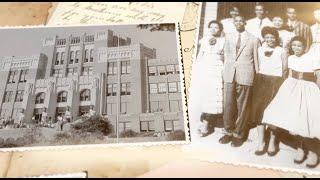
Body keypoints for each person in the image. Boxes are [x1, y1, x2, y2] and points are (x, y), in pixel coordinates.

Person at [262, 36, 320, 168]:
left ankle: (313, 151)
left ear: (305, 47)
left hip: (308, 89)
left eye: (299, 46)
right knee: (279, 114)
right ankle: (298, 147)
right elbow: (288, 74)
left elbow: (318, 78)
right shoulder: (291, 58)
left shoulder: (313, 58)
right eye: (294, 46)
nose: (296, 48)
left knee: (306, 119)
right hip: (291, 87)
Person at [219, 15, 260, 147]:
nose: (238, 23)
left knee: (243, 106)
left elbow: (257, 60)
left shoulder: (253, 39)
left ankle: (239, 134)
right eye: (236, 21)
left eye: (241, 21)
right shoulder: (228, 37)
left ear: (245, 23)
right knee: (228, 104)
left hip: (246, 75)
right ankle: (228, 131)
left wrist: (256, 76)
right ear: (233, 23)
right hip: (229, 74)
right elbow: (223, 55)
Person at [250, 26, 288, 156]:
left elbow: (284, 69)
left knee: (273, 112)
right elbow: (257, 66)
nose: (270, 39)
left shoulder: (281, 51)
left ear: (276, 38)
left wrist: (281, 85)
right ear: (264, 38)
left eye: (272, 37)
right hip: (261, 81)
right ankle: (261, 142)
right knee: (259, 111)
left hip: (276, 82)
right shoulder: (260, 49)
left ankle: (272, 142)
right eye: (267, 37)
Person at [190, 20, 225, 137]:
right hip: (205, 69)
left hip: (217, 69)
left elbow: (224, 56)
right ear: (209, 28)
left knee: (213, 96)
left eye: (217, 27)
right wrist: (195, 68)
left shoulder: (223, 41)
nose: (214, 29)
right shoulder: (204, 40)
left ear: (220, 30)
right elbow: (200, 55)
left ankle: (206, 125)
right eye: (212, 27)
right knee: (204, 95)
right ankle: (205, 122)